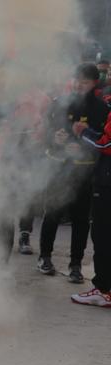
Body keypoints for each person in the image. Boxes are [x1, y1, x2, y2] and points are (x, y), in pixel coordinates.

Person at [38, 64, 109, 283]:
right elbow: (45, 133)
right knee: (52, 213)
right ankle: (45, 257)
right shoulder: (59, 103)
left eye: (85, 82)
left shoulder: (101, 108)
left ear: (94, 83)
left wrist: (83, 146)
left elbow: (102, 140)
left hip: (84, 170)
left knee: (80, 220)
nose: (79, 85)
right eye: (77, 80)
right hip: (59, 167)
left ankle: (76, 264)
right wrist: (56, 139)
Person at [72, 103, 111, 307]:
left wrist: (83, 132)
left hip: (107, 183)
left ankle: (103, 290)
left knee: (103, 235)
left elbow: (106, 144)